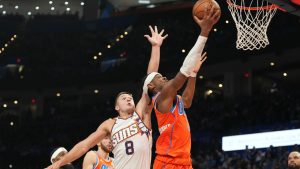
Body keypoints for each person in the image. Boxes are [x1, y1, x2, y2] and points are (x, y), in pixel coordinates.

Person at [45, 26, 168, 169]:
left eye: (130, 98)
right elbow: (85, 145)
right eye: (124, 98)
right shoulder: (109, 125)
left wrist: (156, 47)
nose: (129, 99)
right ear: (116, 107)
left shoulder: (141, 114)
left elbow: (150, 79)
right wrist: (58, 164)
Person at [143, 8, 220, 169]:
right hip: (167, 162)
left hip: (184, 161)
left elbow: (187, 101)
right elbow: (182, 73)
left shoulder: (172, 98)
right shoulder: (162, 98)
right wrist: (204, 32)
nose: (163, 77)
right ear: (152, 87)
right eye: (159, 77)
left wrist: (193, 73)